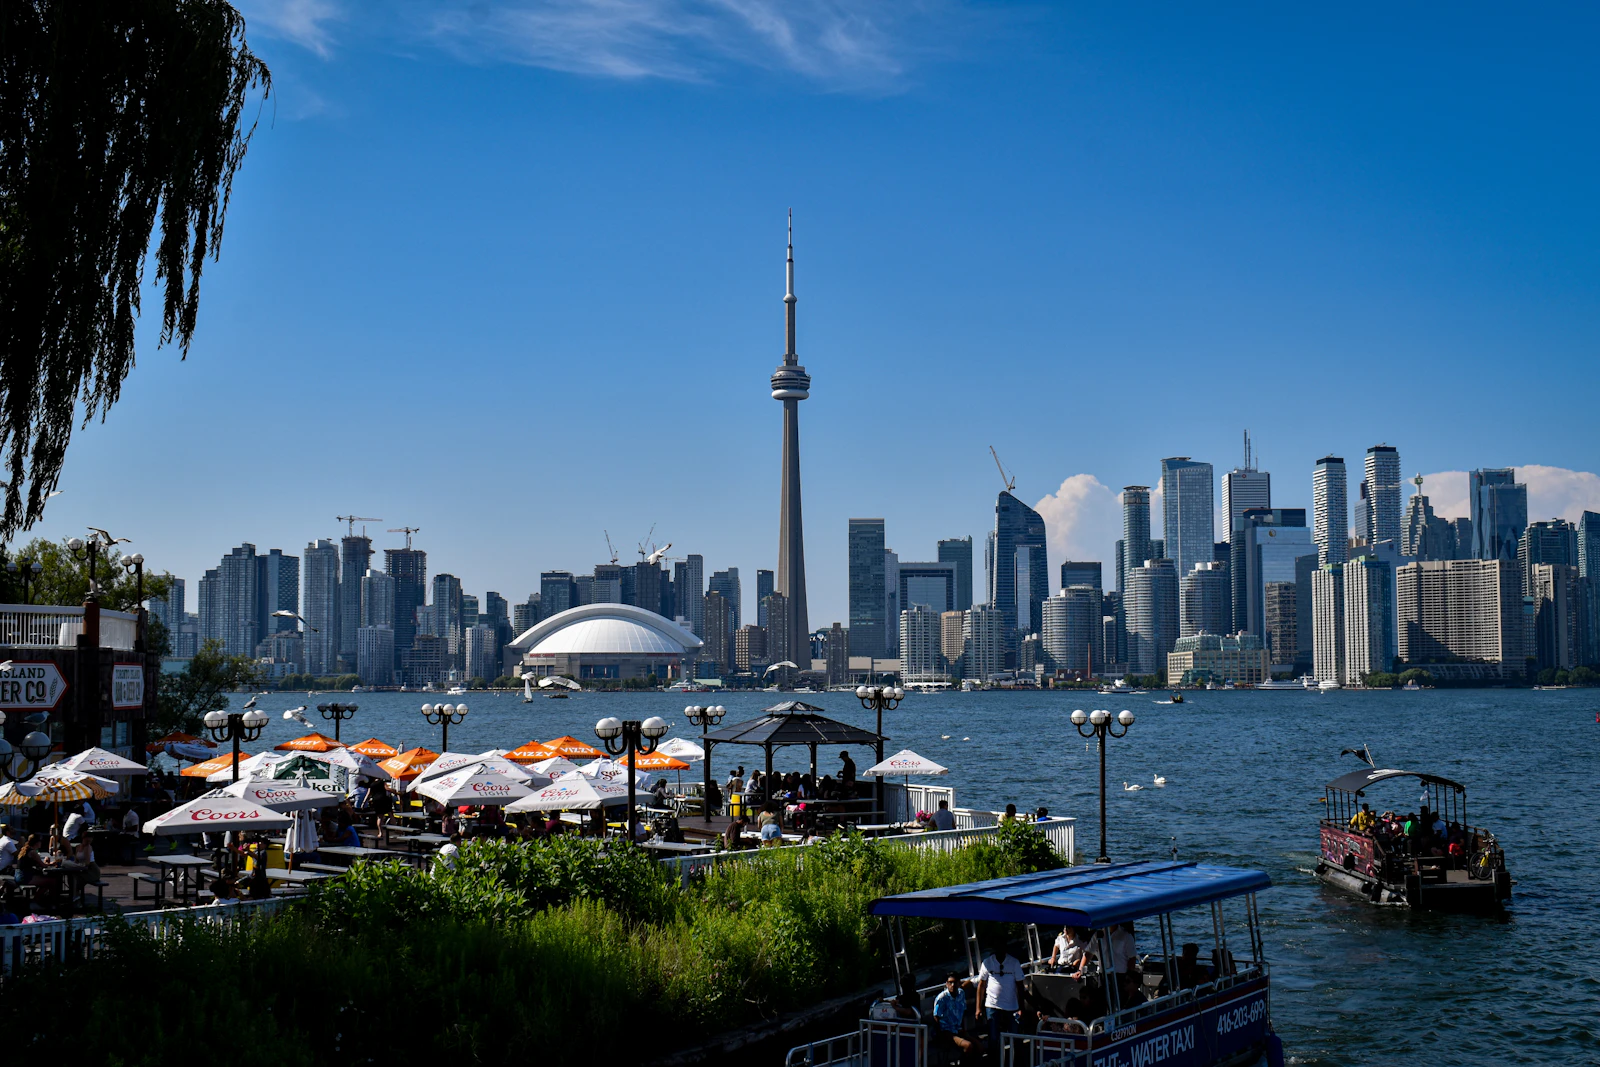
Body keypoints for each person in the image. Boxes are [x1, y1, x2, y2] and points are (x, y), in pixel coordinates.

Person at [975, 944, 1024, 1058]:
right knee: (993, 1038)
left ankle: (1017, 1062)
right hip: (992, 1006)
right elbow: (981, 985)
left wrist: (1021, 1008)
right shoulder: (987, 963)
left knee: (1015, 1036)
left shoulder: (1014, 963)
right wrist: (978, 1008)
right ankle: (994, 1062)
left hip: (1012, 1007)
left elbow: (1020, 986)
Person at [932, 973, 976, 1061]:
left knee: (979, 1047)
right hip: (947, 1031)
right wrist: (941, 1037)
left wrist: (963, 1030)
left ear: (959, 983)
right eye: (950, 982)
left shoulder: (961, 994)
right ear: (946, 984)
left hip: (958, 1029)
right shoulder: (942, 998)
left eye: (955, 982)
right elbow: (936, 1017)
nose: (953, 985)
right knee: (968, 1046)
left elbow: (962, 1011)